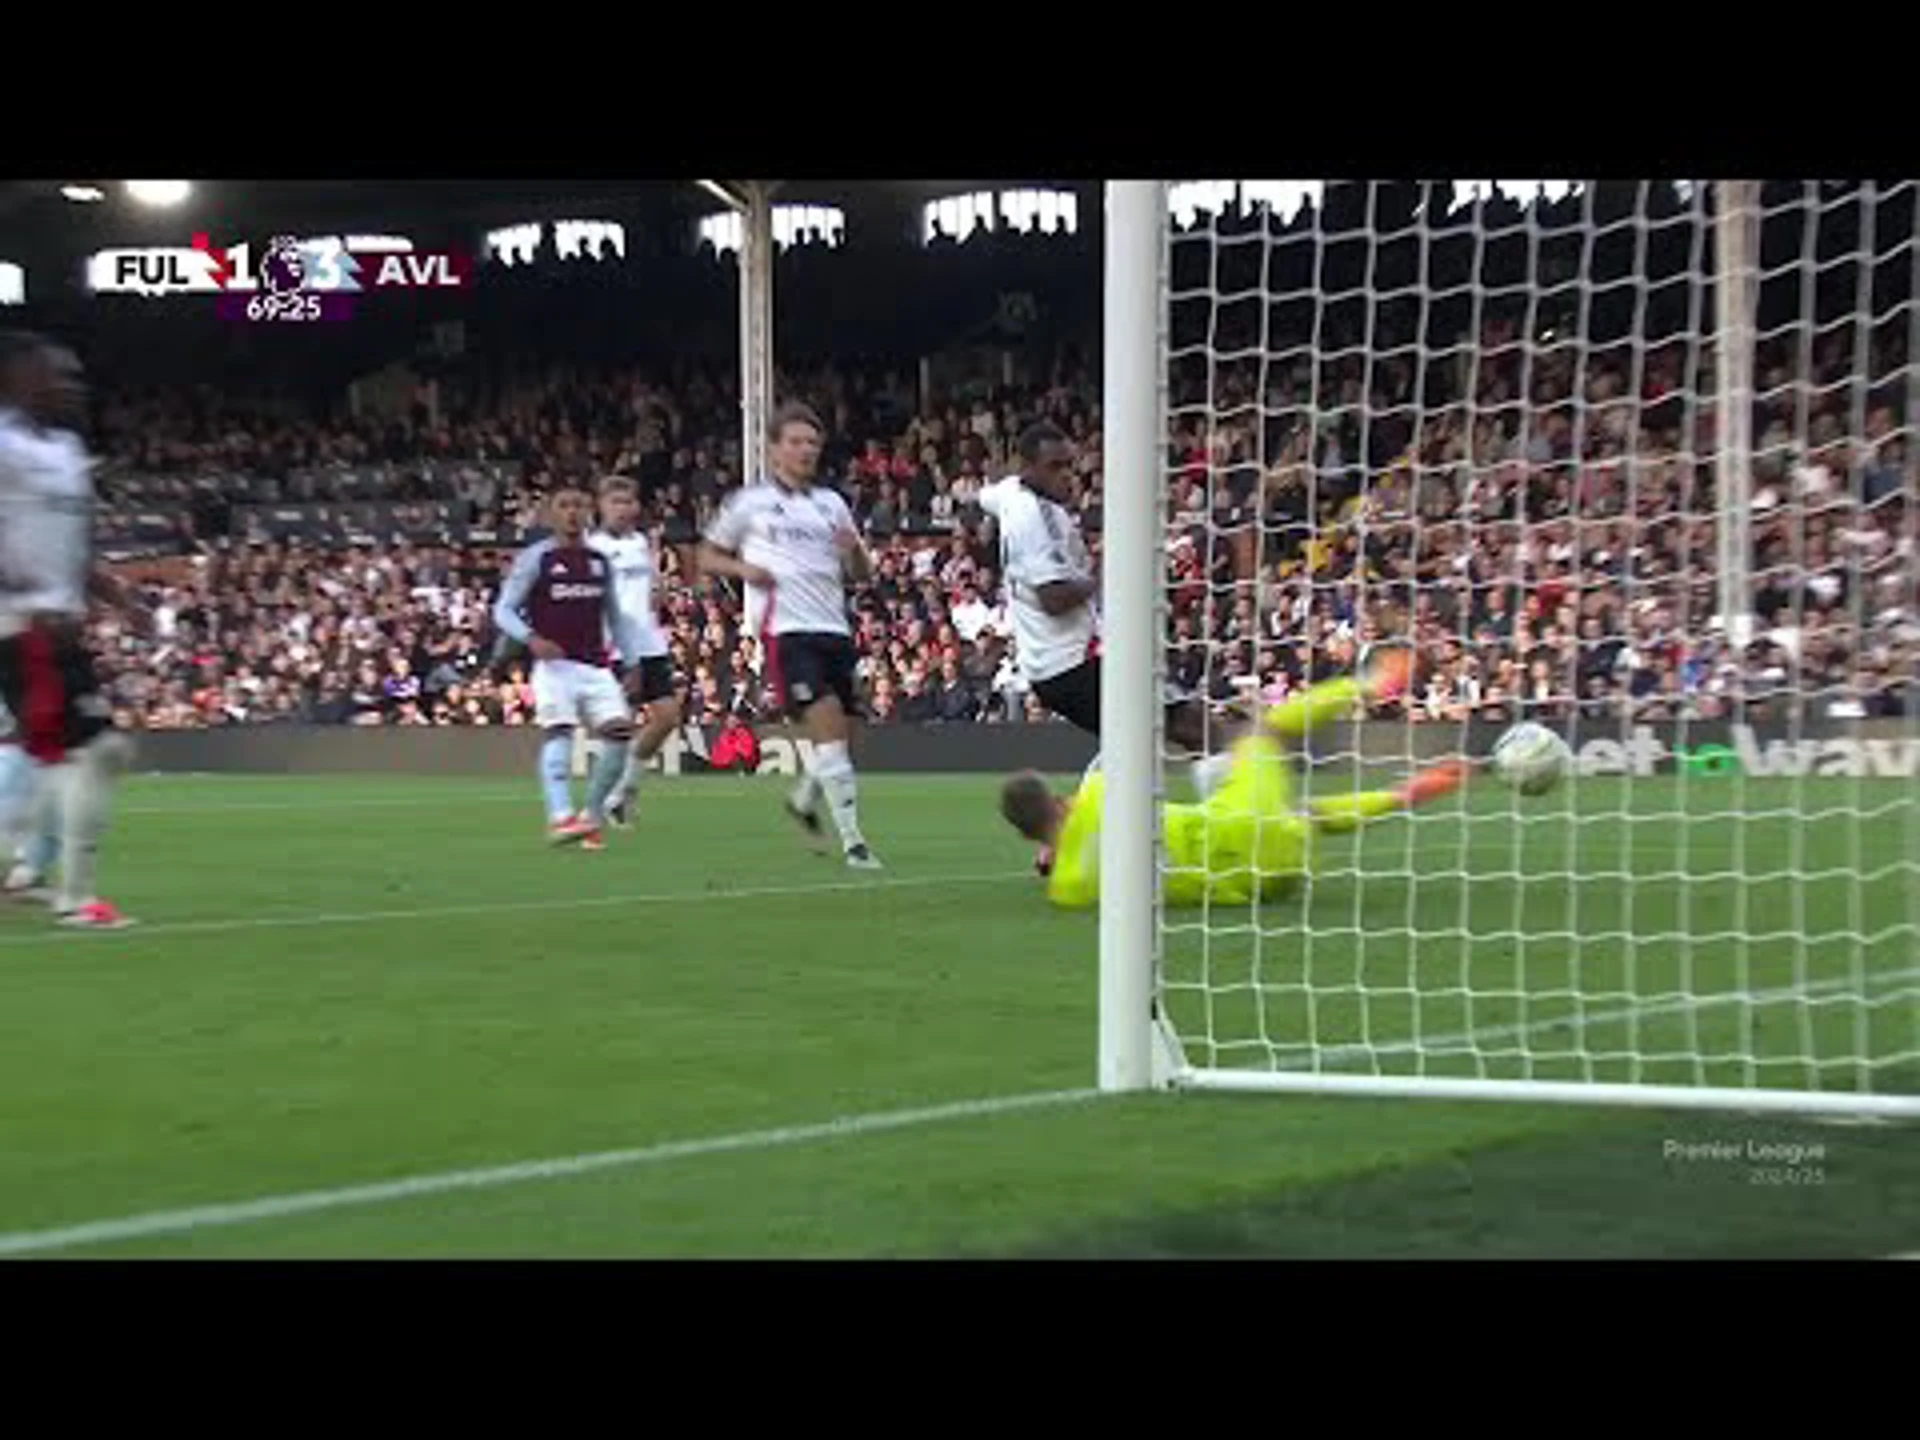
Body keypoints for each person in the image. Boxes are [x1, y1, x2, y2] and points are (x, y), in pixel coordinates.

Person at [997, 648, 1469, 908]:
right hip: (1243, 825)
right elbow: (1114, 771)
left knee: (1305, 815)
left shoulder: (1069, 890)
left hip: (1264, 884)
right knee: (1262, 730)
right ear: (1059, 799)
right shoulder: (1099, 791)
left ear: (1026, 835)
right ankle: (1371, 686)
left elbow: (1075, 847)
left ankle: (1404, 793)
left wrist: (1056, 852)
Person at [978, 419, 1224, 871]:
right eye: (1055, 468)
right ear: (1028, 467)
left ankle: (1063, 833)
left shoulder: (1012, 493)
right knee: (1192, 729)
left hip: (1059, 665)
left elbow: (985, 494)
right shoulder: (1034, 519)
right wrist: (1105, 572)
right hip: (1074, 663)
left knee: (1134, 743)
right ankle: (1238, 830)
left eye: (1070, 466)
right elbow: (1054, 599)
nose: (1066, 476)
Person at [698, 402, 881, 869]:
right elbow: (707, 557)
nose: (805, 450)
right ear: (775, 449)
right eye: (796, 442)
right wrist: (744, 569)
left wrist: (854, 550)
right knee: (829, 732)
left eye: (812, 443)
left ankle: (803, 799)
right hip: (787, 631)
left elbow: (861, 574)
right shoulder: (749, 503)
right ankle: (855, 843)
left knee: (846, 736)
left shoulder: (831, 504)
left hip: (834, 629)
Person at [0, 331, 137, 927]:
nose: (71, 384)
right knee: (92, 750)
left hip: (56, 626)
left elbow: (70, 540)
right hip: (20, 625)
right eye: (58, 374)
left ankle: (40, 877)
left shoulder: (66, 451)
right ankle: (76, 900)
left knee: (66, 754)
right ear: (17, 378)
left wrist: (111, 592)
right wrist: (28, 593)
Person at [490, 482, 643, 850]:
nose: (572, 512)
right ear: (550, 513)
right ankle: (560, 816)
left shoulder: (597, 562)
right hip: (555, 667)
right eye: (564, 505)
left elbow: (615, 617)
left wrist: (633, 661)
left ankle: (589, 816)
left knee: (620, 734)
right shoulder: (536, 559)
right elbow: (503, 610)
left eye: (579, 505)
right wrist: (531, 639)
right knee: (558, 733)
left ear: (588, 512)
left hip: (595, 666)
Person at [587, 475, 682, 828]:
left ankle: (623, 792)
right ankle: (593, 813)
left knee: (668, 718)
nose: (624, 509)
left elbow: (648, 593)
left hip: (650, 642)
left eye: (629, 502)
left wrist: (658, 592)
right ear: (602, 506)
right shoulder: (591, 547)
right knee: (618, 730)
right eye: (616, 502)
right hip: (615, 649)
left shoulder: (642, 543)